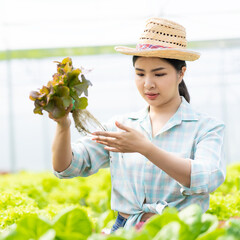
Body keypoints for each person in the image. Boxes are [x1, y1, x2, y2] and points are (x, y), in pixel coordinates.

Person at [49, 17, 226, 233]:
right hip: (125, 231)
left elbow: (207, 177)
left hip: (180, 232)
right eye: (140, 74)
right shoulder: (121, 126)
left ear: (181, 73)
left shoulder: (205, 127)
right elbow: (67, 166)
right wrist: (63, 125)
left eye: (159, 74)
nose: (148, 84)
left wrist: (146, 149)